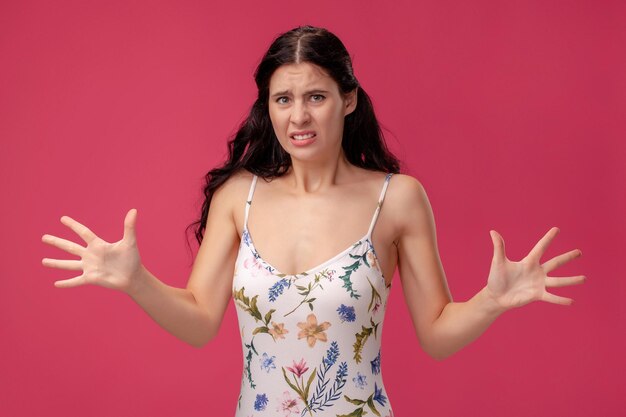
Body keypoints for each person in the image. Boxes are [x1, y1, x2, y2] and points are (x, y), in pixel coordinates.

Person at [41, 25, 585, 417]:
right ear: (268, 107)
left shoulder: (397, 199)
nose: (298, 115)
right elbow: (200, 320)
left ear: (348, 100)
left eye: (316, 96)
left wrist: (491, 301)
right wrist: (137, 282)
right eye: (284, 99)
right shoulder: (240, 197)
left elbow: (437, 335)